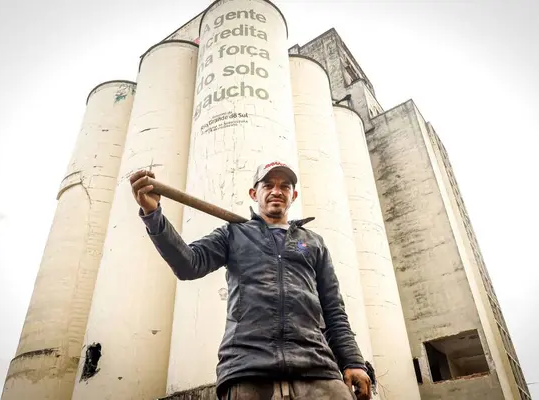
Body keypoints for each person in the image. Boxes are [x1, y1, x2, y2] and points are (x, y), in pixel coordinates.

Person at [130, 161, 373, 400]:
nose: (277, 191)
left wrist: (353, 361)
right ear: (254, 193)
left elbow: (333, 310)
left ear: (294, 195)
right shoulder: (234, 233)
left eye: (285, 186)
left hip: (318, 371)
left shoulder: (313, 242)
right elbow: (188, 264)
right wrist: (153, 214)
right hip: (247, 372)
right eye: (268, 185)